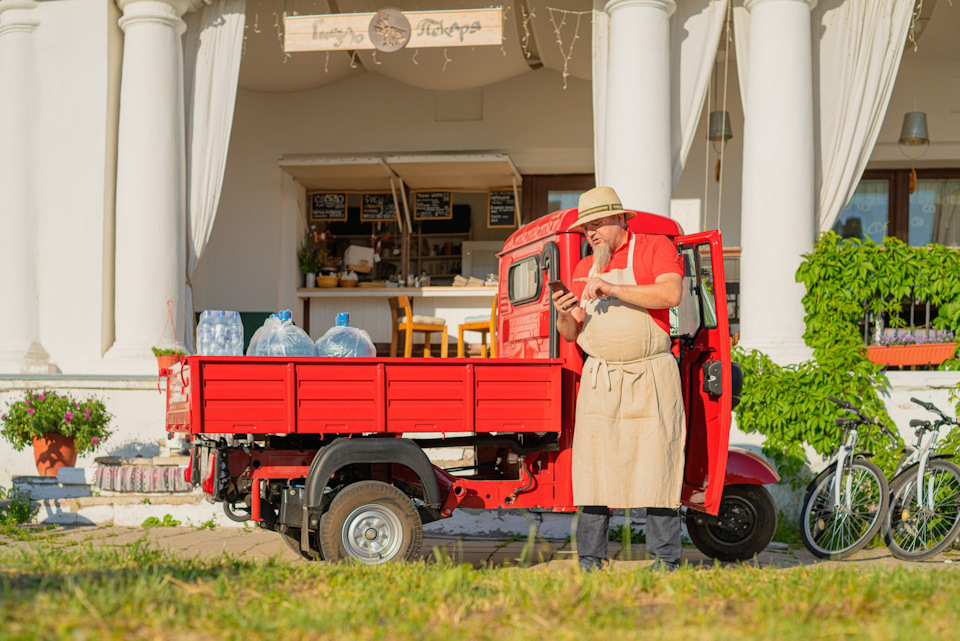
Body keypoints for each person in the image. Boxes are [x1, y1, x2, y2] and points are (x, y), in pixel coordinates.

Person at [551, 186, 686, 572]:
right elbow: (572, 332)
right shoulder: (582, 268)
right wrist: (563, 312)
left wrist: (611, 287)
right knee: (594, 467)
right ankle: (591, 559)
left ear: (618, 220)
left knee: (658, 464)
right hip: (602, 377)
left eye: (595, 225)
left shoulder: (654, 247)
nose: (590, 234)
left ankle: (666, 560)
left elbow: (670, 293)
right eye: (585, 228)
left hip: (651, 373)